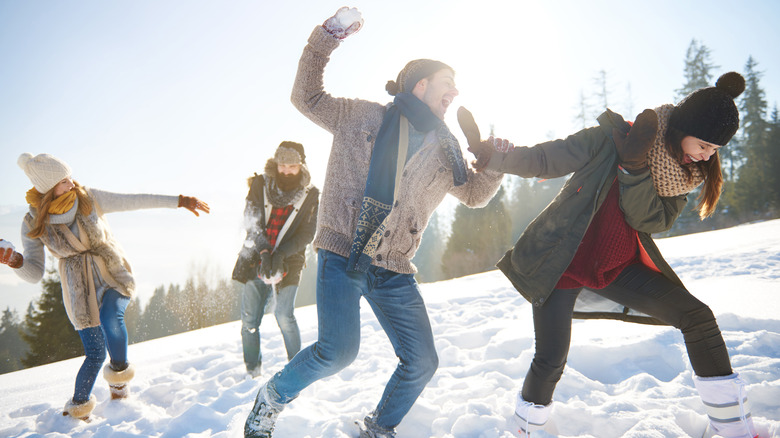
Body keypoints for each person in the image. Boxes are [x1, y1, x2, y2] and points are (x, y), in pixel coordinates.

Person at [243, 6, 503, 438]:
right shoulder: (362, 117)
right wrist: (327, 38)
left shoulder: (446, 152)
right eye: (446, 83)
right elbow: (305, 96)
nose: (454, 91)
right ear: (420, 85)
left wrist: (495, 165)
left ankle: (378, 427)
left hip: (394, 267)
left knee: (422, 360)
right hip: (344, 251)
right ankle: (271, 398)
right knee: (337, 352)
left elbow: (474, 195)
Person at [469, 72, 759, 438]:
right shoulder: (610, 138)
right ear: (682, 127)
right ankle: (525, 429)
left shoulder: (682, 176)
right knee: (550, 359)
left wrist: (634, 167)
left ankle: (733, 430)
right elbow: (546, 158)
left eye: (714, 150)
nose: (706, 155)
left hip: (616, 268)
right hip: (560, 263)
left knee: (697, 317)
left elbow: (647, 219)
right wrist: (494, 158)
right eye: (704, 144)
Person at [0, 152, 209, 421]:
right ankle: (76, 411)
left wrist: (180, 201)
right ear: (49, 189)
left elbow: (135, 201)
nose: (72, 184)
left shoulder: (88, 198)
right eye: (64, 181)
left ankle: (119, 385)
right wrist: (15, 261)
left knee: (112, 317)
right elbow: (34, 273)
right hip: (78, 290)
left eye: (70, 177)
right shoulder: (33, 222)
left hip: (111, 272)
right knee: (95, 352)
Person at [231, 141, 319, 378]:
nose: (286, 171)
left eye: (292, 166)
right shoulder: (261, 183)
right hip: (256, 256)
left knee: (284, 314)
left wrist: (280, 254)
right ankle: (253, 372)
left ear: (301, 166)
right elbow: (251, 220)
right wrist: (264, 252)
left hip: (289, 258)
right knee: (249, 321)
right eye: (282, 165)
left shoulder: (310, 194)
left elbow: (307, 233)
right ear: (276, 164)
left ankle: (298, 371)